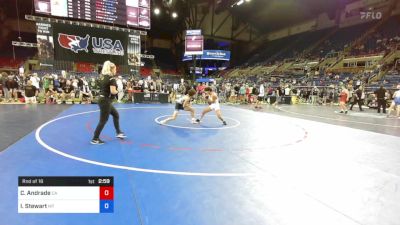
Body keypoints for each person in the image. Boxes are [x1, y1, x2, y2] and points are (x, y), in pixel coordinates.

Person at [91, 61, 126, 145]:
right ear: (111, 69)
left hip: (104, 100)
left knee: (116, 115)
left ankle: (118, 132)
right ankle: (95, 138)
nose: (116, 71)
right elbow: (113, 91)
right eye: (115, 69)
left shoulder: (103, 77)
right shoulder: (111, 79)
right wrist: (120, 90)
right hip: (105, 101)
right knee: (103, 120)